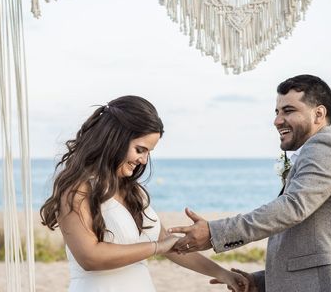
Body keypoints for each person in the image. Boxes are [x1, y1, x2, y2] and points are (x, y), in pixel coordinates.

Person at [169, 75, 331, 292]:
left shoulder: (325, 146)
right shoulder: (319, 149)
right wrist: (262, 282)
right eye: (277, 112)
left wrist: (215, 233)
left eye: (289, 111)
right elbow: (314, 244)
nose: (277, 120)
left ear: (318, 114)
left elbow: (292, 208)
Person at [40, 95, 249, 292]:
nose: (144, 160)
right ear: (115, 139)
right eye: (140, 150)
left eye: (149, 152)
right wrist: (157, 247)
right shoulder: (77, 189)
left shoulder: (134, 192)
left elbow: (168, 243)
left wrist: (223, 274)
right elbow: (90, 257)